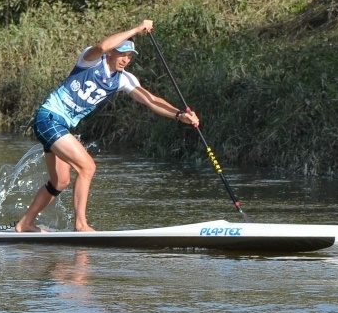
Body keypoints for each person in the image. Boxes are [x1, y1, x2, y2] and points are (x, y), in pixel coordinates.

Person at [16, 19, 200, 233]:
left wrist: (179, 115)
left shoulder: (123, 80)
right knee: (88, 167)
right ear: (112, 52)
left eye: (130, 56)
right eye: (122, 53)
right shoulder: (90, 60)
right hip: (49, 117)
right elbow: (102, 46)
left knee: (61, 182)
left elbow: (150, 100)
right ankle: (81, 225)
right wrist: (137, 29)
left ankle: (25, 223)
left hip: (61, 126)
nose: (126, 59)